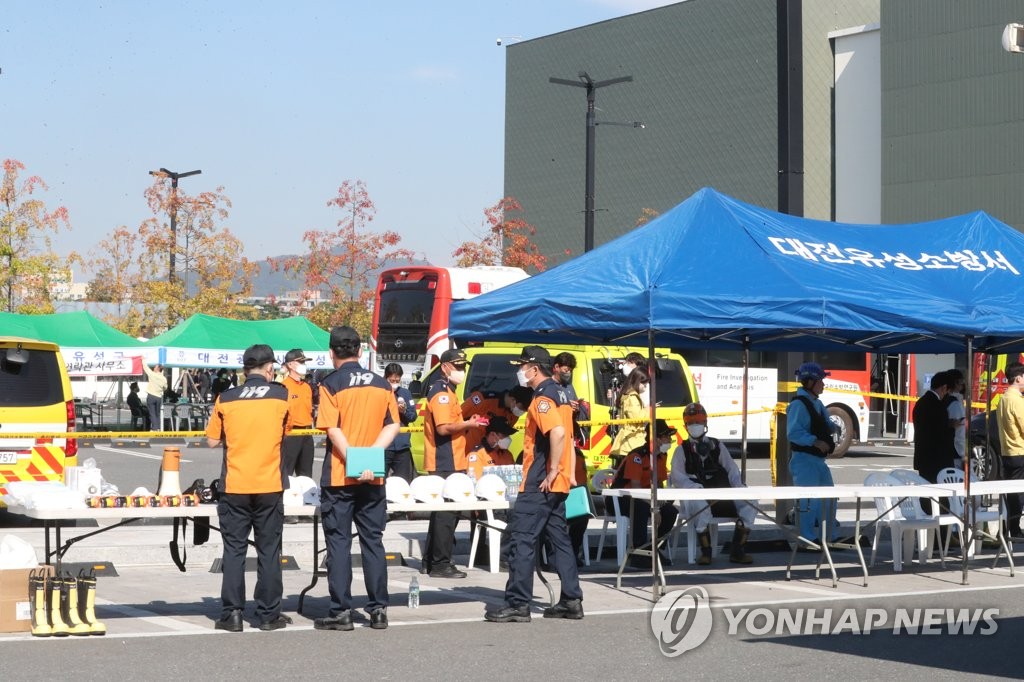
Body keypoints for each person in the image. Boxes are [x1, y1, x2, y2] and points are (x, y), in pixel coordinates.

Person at [485, 346, 584, 623]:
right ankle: (571, 599)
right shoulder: (563, 393)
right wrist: (568, 472)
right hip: (558, 481)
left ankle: (518, 603)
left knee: (522, 540)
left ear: (534, 368)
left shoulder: (543, 396)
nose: (521, 371)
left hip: (540, 480)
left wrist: (552, 469)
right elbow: (570, 438)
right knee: (560, 542)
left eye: (523, 366)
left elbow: (559, 432)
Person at [313, 326, 400, 632]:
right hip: (373, 477)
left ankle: (341, 612)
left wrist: (353, 458)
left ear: (332, 352)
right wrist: (372, 456)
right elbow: (393, 425)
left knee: (338, 544)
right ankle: (378, 610)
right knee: (373, 542)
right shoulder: (381, 384)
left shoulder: (329, 384)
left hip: (340, 476)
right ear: (361, 352)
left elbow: (332, 428)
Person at [205, 344, 292, 632]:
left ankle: (232, 614)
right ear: (270, 369)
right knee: (269, 551)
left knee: (234, 550)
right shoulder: (281, 394)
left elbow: (212, 441)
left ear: (244, 370)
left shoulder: (226, 398)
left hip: (235, 485)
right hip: (269, 485)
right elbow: (286, 430)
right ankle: (268, 614)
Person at [423, 348, 487, 578]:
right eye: (457, 367)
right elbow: (443, 427)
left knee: (442, 513)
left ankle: (431, 561)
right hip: (445, 458)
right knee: (447, 515)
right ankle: (440, 563)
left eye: (462, 367)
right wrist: (469, 424)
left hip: (451, 457)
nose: (460, 371)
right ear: (445, 367)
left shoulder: (449, 390)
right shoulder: (440, 392)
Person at [670, 403, 757, 565]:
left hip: (721, 495)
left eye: (699, 422)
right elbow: (677, 477)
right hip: (696, 496)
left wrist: (739, 488)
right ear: (685, 426)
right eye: (691, 423)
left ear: (705, 424)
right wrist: (696, 488)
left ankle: (738, 549)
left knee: (750, 502)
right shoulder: (681, 450)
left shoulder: (717, 445)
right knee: (699, 504)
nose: (696, 426)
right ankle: (706, 551)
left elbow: (732, 469)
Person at [614, 419, 680, 569]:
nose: (669, 440)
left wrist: (662, 501)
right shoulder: (637, 456)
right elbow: (636, 489)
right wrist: (654, 506)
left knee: (671, 511)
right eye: (666, 437)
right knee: (641, 508)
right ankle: (638, 552)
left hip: (646, 498)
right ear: (656, 439)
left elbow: (660, 483)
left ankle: (653, 549)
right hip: (622, 498)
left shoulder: (661, 457)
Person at [786, 362, 839, 548]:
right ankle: (807, 539)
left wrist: (832, 428)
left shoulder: (816, 403)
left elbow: (824, 424)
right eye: (820, 381)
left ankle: (830, 536)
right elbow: (793, 433)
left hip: (817, 460)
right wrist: (815, 441)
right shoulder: (799, 405)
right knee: (809, 502)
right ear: (809, 382)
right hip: (804, 460)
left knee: (829, 499)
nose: (823, 384)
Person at [997, 362, 1024, 539]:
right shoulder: (1017, 400)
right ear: (1018, 378)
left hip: (1007, 450)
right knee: (1018, 494)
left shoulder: (1003, 398)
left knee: (1012, 492)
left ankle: (1010, 527)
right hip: (1020, 451)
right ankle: (1013, 529)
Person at [461, 385, 532, 454]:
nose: (523, 411)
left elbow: (502, 435)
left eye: (525, 410)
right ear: (513, 400)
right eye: (522, 408)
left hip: (490, 455)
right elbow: (456, 418)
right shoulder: (484, 400)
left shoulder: (514, 414)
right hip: (466, 449)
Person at [913, 371, 955, 485]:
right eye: (947, 391)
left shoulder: (920, 402)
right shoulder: (939, 406)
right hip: (938, 458)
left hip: (923, 456)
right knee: (941, 495)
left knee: (926, 493)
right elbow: (942, 434)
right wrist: (952, 427)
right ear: (944, 388)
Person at [281, 349, 315, 480]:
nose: (304, 365)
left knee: (306, 473)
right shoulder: (284, 387)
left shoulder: (306, 386)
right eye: (300, 362)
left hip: (307, 432)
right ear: (290, 365)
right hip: (291, 433)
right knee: (287, 471)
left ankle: (306, 496)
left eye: (304, 362)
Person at [384, 363, 418, 482]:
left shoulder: (405, 393)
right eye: (391, 380)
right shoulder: (379, 392)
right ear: (385, 378)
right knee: (379, 482)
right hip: (384, 445)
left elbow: (413, 416)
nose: (394, 383)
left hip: (402, 445)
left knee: (404, 481)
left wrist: (404, 411)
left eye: (397, 380)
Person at [609, 365, 650, 459]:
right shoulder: (632, 397)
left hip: (629, 440)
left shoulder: (628, 395)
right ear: (638, 382)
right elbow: (638, 417)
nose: (645, 387)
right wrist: (648, 410)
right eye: (644, 384)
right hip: (631, 441)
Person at [942, 369, 967, 468]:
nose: (963, 385)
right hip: (956, 450)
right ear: (956, 383)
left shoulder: (943, 400)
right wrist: (963, 453)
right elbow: (959, 431)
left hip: (945, 449)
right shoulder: (955, 404)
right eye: (961, 382)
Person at [142, 363, 166, 432]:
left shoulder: (152, 374)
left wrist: (143, 360)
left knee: (152, 413)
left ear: (158, 368)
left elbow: (146, 368)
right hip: (158, 397)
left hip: (151, 396)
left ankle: (154, 428)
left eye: (155, 367)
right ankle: (158, 427)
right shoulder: (163, 378)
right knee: (157, 413)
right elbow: (165, 387)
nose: (153, 368)